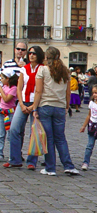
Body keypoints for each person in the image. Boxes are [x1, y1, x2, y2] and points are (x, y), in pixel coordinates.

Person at [30, 47, 79, 176]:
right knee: (61, 138)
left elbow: (38, 91)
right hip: (60, 106)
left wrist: (35, 107)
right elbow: (68, 92)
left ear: (46, 57)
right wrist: (67, 106)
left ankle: (50, 167)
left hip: (45, 105)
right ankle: (68, 165)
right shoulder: (65, 72)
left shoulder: (43, 70)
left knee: (49, 138)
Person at [4, 45, 45, 170]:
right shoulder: (24, 69)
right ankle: (15, 159)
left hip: (36, 104)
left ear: (39, 55)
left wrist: (34, 106)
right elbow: (19, 88)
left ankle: (32, 161)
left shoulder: (42, 69)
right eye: (30, 53)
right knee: (14, 129)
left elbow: (41, 90)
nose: (31, 55)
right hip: (23, 102)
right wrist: (21, 104)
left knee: (34, 132)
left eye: (34, 53)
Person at [0, 68, 19, 160]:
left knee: (10, 135)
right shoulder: (4, 87)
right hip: (1, 113)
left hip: (9, 113)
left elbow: (6, 99)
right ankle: (0, 153)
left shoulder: (13, 88)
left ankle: (13, 155)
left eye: (2, 78)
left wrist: (0, 89)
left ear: (8, 79)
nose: (1, 80)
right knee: (1, 134)